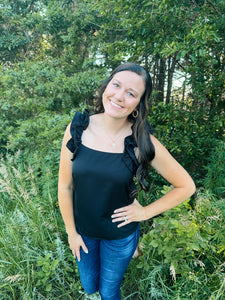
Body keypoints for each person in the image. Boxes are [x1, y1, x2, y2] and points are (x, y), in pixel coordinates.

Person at [58, 62, 196, 300]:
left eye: (131, 93)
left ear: (138, 104)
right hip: (84, 230)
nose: (119, 96)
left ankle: (131, 250)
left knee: (109, 292)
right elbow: (65, 185)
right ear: (106, 87)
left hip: (119, 235)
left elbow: (186, 186)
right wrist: (71, 233)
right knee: (90, 285)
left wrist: (145, 212)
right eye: (116, 85)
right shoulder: (78, 128)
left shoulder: (141, 142)